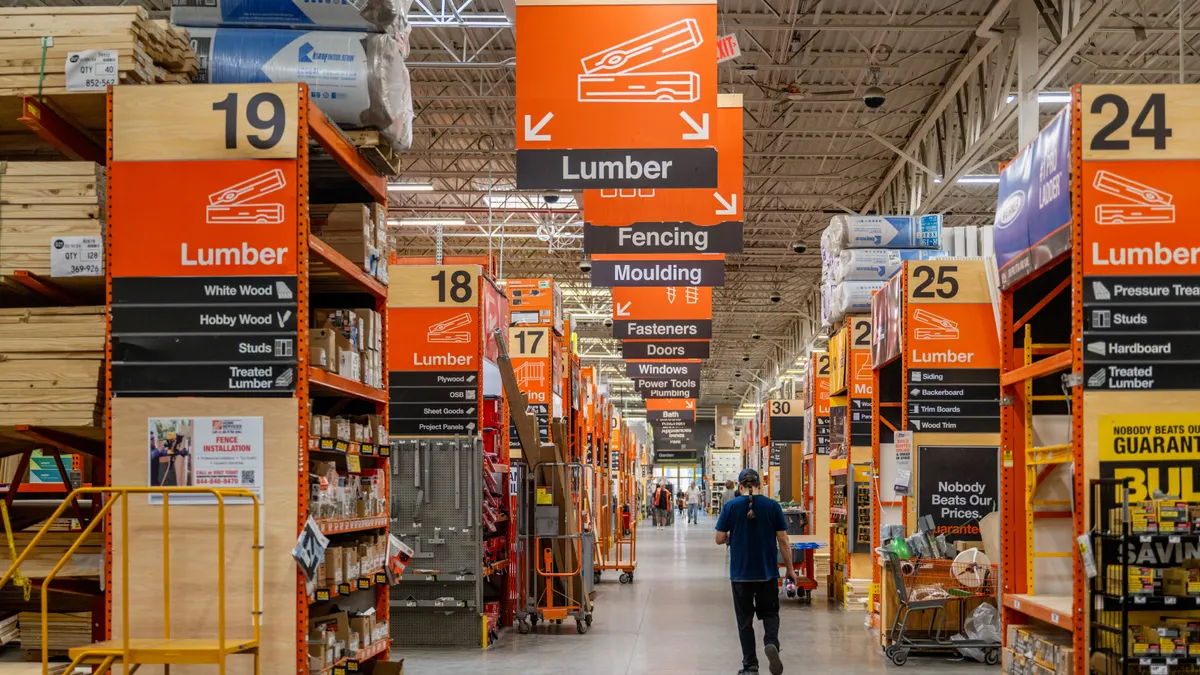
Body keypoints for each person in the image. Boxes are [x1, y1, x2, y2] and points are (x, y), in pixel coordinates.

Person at [715, 469, 796, 675]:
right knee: (770, 613)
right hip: (767, 572)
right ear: (759, 485)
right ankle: (771, 643)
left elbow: (719, 538)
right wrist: (790, 569)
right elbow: (783, 541)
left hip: (740, 574)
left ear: (740, 486)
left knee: (744, 621)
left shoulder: (731, 507)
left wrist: (732, 536)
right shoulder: (772, 506)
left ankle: (750, 666)